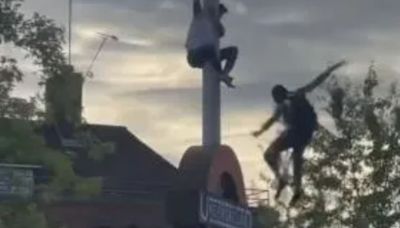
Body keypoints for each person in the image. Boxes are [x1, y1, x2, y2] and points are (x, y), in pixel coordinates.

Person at [252, 60, 347, 206]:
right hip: (297, 134)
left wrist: (331, 69)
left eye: (278, 99)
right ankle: (287, 183)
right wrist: (261, 131)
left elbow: (315, 82)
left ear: (282, 94)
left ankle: (293, 188)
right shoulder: (282, 105)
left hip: (302, 133)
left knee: (293, 160)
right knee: (276, 156)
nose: (277, 102)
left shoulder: (297, 94)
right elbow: (273, 118)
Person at [185, 0, 238, 88]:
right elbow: (196, 4)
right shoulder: (200, 16)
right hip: (194, 55)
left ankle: (224, 74)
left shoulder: (216, 26)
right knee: (209, 49)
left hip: (209, 55)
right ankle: (220, 73)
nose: (221, 15)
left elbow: (221, 33)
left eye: (222, 14)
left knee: (232, 51)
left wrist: (217, 19)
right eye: (220, 12)